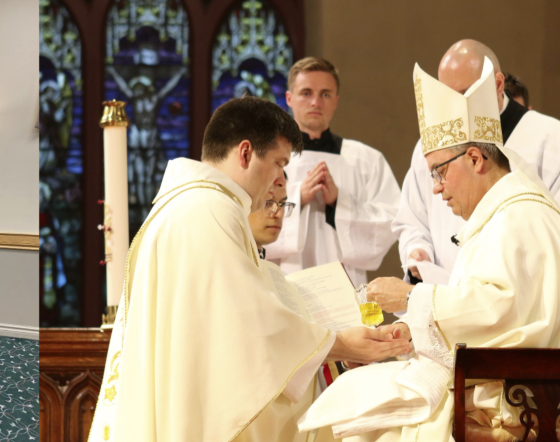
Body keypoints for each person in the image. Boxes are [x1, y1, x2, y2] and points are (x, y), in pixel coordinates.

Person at [297, 58, 560, 441]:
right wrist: (408, 332)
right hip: (510, 391)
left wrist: (413, 297)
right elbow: (492, 314)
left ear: (476, 159)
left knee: (349, 417)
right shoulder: (505, 214)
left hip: (513, 408)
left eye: (439, 171)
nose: (435, 187)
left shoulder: (519, 218)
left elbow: (500, 311)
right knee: (348, 404)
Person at [84, 97, 412, 442]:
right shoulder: (212, 210)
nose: (277, 180)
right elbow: (252, 324)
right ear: (245, 153)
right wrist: (341, 343)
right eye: (278, 163)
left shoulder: (183, 205)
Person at [391, 39, 560, 288]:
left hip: (522, 300)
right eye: (447, 96)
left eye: (463, 95)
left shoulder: (555, 141)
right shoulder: (431, 150)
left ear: (498, 84)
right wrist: (417, 251)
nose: (455, 108)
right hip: (449, 300)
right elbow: (411, 220)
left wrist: (506, 271)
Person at [265, 57, 400, 287]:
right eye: (306, 93)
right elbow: (249, 222)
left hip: (347, 285)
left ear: (336, 101)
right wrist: (298, 198)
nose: (316, 102)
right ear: (289, 98)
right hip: (286, 283)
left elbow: (391, 222)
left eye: (325, 94)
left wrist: (339, 202)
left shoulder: (365, 159)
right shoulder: (268, 157)